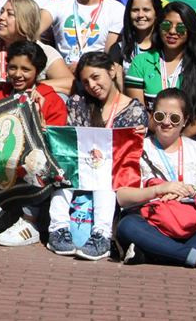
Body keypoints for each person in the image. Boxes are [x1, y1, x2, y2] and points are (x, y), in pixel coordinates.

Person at [48, 52, 147, 260]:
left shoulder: (134, 110)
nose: (91, 85)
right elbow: (72, 143)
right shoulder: (78, 102)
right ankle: (57, 228)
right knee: (63, 169)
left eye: (95, 77)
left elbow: (129, 156)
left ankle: (102, 235)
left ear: (111, 71)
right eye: (85, 81)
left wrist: (140, 135)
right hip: (81, 167)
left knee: (105, 179)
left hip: (110, 173)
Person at [0, 40, 68, 246]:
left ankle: (29, 223)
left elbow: (55, 142)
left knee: (36, 160)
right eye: (13, 67)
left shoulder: (51, 100)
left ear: (39, 71)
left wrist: (40, 119)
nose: (18, 74)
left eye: (26, 69)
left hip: (28, 164)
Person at [115, 89, 196, 270]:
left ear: (185, 120)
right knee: (127, 226)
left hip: (193, 226)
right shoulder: (138, 147)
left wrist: (187, 190)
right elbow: (122, 196)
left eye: (174, 118)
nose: (166, 122)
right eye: (160, 116)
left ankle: (153, 253)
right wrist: (159, 190)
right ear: (152, 116)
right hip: (152, 225)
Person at [125, 1, 196, 146]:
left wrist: (180, 139)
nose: (172, 31)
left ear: (190, 31)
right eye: (166, 25)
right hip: (153, 134)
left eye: (181, 28)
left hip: (193, 137)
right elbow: (139, 110)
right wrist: (164, 136)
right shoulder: (141, 62)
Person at [0, 0, 74, 97]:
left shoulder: (45, 52)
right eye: (1, 12)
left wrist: (33, 86)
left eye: (10, 14)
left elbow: (70, 83)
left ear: (25, 21)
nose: (1, 17)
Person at [108, 0, 163, 70]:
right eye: (135, 10)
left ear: (156, 13)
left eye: (146, 10)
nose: (140, 15)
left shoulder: (166, 48)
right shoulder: (118, 49)